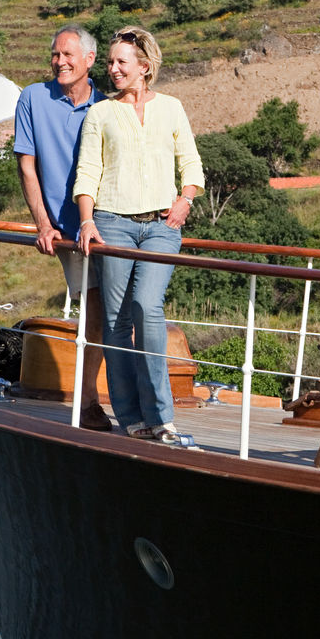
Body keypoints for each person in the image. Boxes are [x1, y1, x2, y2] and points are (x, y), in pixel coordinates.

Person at [73, 27, 204, 446]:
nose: (112, 69)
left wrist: (185, 200)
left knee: (148, 306)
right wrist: (87, 222)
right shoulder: (101, 113)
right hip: (112, 223)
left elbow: (191, 164)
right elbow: (88, 171)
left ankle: (161, 417)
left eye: (121, 62)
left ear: (144, 67)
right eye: (110, 62)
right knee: (116, 320)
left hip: (162, 227)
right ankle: (131, 418)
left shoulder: (172, 108)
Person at [14, 25, 110, 431]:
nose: (60, 62)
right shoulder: (33, 98)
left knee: (120, 311)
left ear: (90, 59)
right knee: (95, 308)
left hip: (106, 225)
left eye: (68, 55)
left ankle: (115, 400)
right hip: (66, 229)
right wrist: (43, 224)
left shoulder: (107, 106)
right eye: (56, 54)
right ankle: (87, 401)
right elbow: (27, 166)